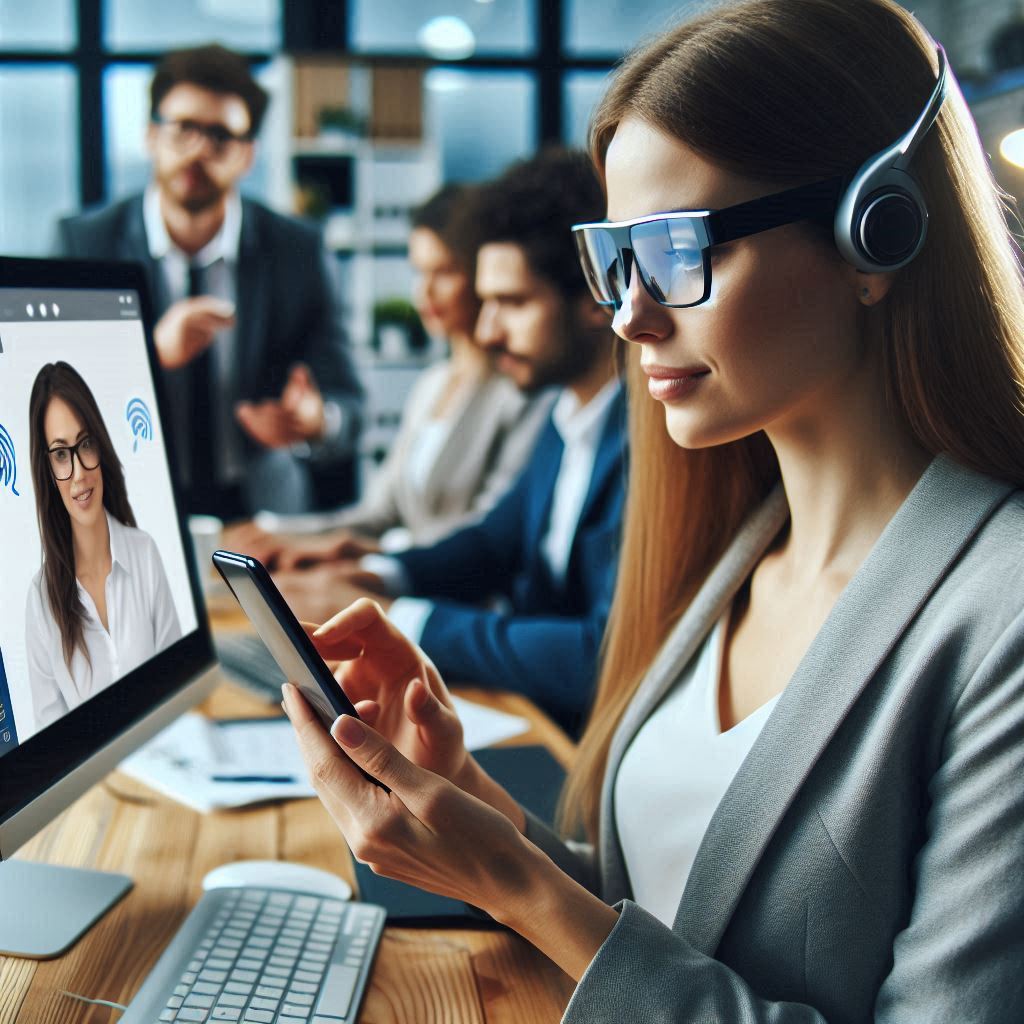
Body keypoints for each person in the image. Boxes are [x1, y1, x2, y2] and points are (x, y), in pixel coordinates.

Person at [279, 0, 1024, 1020]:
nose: (629, 313)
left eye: (679, 248)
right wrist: (478, 810)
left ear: (875, 233)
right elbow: (681, 907)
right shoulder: (739, 548)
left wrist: (518, 887)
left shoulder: (1002, 612)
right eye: (618, 254)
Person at [279, 149, 627, 735]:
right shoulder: (568, 414)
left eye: (512, 304)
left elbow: (602, 651)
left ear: (597, 296)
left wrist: (399, 618)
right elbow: (496, 542)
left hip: (577, 738)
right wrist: (381, 577)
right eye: (486, 302)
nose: (487, 331)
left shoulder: (649, 441)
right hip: (534, 715)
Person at [55, 44, 363, 519]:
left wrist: (317, 421)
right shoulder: (84, 241)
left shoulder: (297, 250)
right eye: (183, 130)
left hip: (261, 509)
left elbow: (350, 406)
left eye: (220, 135)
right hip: (126, 500)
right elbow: (51, 395)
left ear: (247, 155)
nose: (198, 151)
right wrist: (151, 356)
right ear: (150, 136)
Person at [229, 183, 554, 566]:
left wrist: (367, 556)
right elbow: (376, 514)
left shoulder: (521, 392)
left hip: (453, 598)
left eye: (445, 272)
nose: (425, 292)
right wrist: (274, 531)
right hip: (405, 583)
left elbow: (486, 539)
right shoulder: (431, 386)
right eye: (419, 272)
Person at [25, 362, 181, 730]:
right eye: (61, 454)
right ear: (47, 470)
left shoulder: (144, 553)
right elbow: (53, 735)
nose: (78, 473)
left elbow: (177, 688)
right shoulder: (41, 598)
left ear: (99, 444)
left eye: (85, 444)